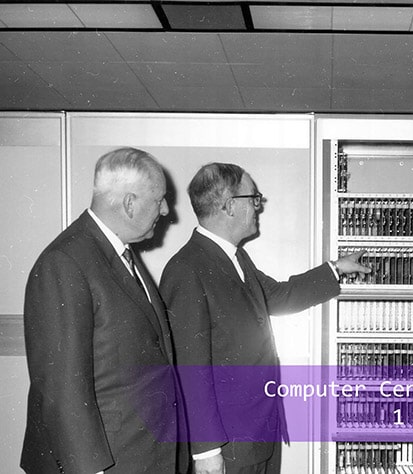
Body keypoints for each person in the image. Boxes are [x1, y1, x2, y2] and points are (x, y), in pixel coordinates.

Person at [160, 162, 370, 474]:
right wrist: (205, 451)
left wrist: (335, 269)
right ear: (231, 206)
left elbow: (278, 296)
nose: (258, 207)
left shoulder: (234, 258)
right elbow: (190, 370)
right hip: (227, 447)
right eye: (253, 198)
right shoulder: (187, 270)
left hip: (257, 436)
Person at [21, 148, 188, 474]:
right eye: (159, 199)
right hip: (105, 462)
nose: (166, 210)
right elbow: (63, 388)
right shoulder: (66, 262)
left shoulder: (121, 255)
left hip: (143, 454)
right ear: (129, 203)